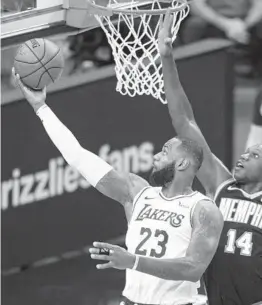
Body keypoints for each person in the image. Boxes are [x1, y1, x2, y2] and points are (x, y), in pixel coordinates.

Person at [12, 65, 223, 305]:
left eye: (165, 152)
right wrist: (41, 108)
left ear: (183, 163)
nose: (156, 156)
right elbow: (78, 156)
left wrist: (132, 261)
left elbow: (192, 268)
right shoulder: (136, 191)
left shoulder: (204, 209)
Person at [155, 9, 262, 305]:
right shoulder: (222, 185)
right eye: (245, 151)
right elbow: (184, 123)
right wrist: (166, 58)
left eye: (254, 154)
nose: (243, 155)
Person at [180, 0, 262, 77]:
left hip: (244, 21)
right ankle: (193, 72)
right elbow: (197, 6)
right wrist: (226, 25)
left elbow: (259, 6)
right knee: (195, 25)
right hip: (213, 20)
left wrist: (244, 25)